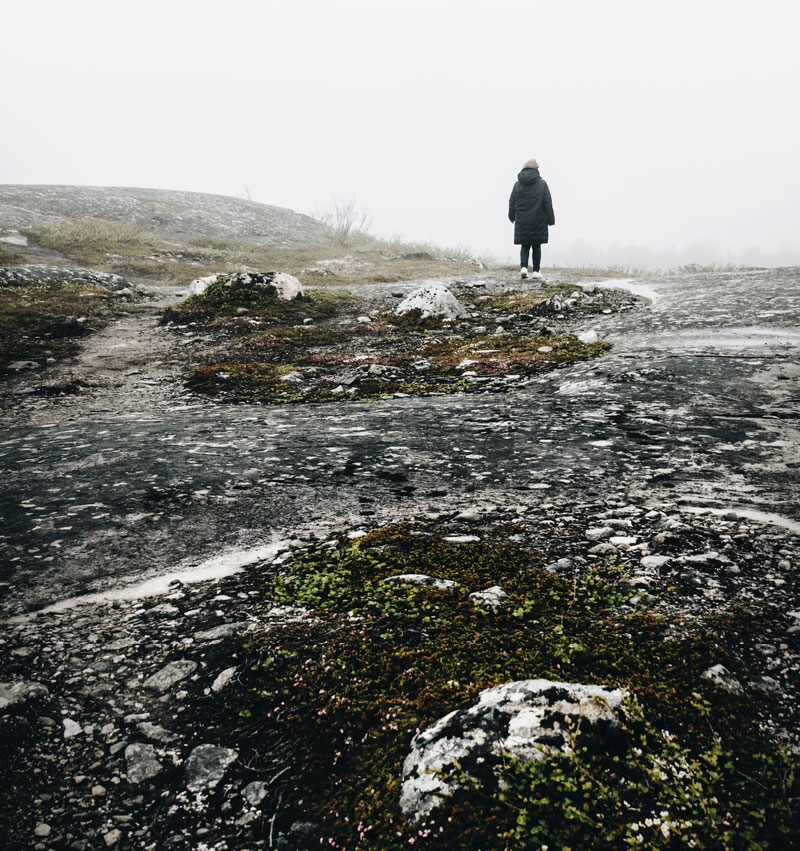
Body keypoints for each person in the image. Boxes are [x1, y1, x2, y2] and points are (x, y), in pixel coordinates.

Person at [508, 158, 555, 280]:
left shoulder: (517, 184)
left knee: (525, 244)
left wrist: (511, 216)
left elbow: (512, 201)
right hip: (538, 220)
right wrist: (550, 219)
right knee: (536, 245)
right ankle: (536, 270)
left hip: (522, 219)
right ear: (537, 169)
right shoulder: (542, 184)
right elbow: (547, 203)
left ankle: (523, 268)